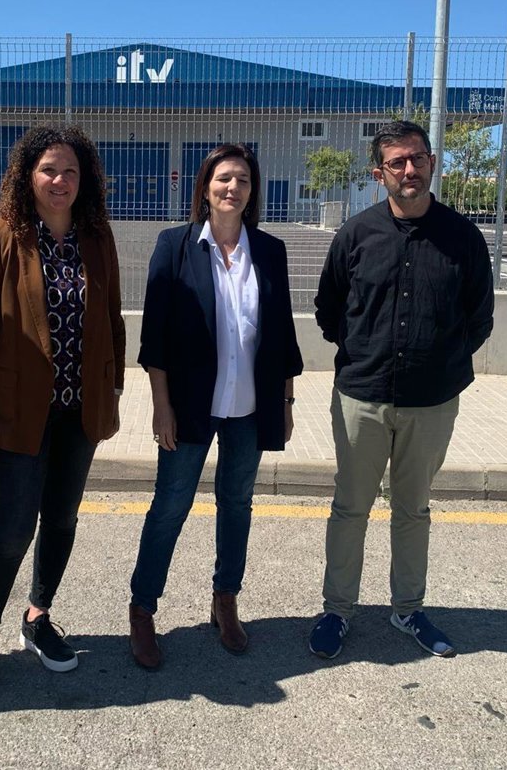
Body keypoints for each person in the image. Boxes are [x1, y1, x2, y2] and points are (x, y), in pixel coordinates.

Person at [309, 119, 494, 661]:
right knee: (351, 508)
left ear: (432, 163)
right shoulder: (355, 235)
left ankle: (408, 608)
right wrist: (366, 352)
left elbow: (479, 318)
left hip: (432, 402)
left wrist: (440, 362)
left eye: (417, 158)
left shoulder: (463, 237)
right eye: (397, 162)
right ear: (379, 173)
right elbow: (328, 311)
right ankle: (337, 610)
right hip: (362, 397)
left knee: (413, 509)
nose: (409, 170)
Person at [0, 124, 124, 695]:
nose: (60, 180)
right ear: (27, 175)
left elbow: (113, 321)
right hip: (17, 414)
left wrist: (112, 395)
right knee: (13, 528)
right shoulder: (3, 234)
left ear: (84, 180)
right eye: (49, 169)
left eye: (70, 171)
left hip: (80, 413)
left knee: (62, 519)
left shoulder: (97, 237)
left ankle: (37, 616)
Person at [127, 143, 303, 670]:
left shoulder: (269, 250)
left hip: (251, 405)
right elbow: (155, 336)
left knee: (237, 503)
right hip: (189, 405)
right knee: (170, 505)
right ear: (205, 187)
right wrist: (161, 406)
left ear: (252, 192)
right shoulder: (175, 246)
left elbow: (282, 333)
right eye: (224, 178)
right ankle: (143, 608)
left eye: (243, 180)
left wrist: (286, 402)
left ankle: (225, 599)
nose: (233, 188)